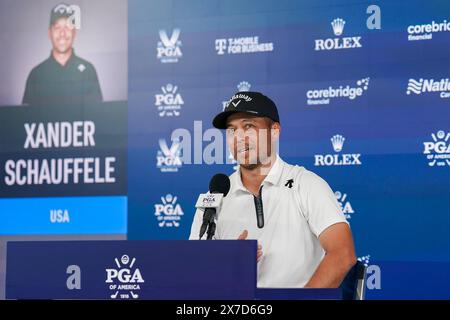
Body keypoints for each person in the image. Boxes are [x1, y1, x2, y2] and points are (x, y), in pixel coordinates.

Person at [189, 91, 356, 288]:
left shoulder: (307, 184)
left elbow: (343, 255)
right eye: (232, 130)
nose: (239, 138)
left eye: (248, 127)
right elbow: (195, 269)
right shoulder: (215, 197)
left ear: (275, 131)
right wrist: (228, 263)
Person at [22, 3, 102, 107]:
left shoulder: (88, 71)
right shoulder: (36, 75)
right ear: (49, 33)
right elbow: (25, 118)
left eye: (67, 27)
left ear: (74, 33)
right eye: (57, 28)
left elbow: (97, 116)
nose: (62, 33)